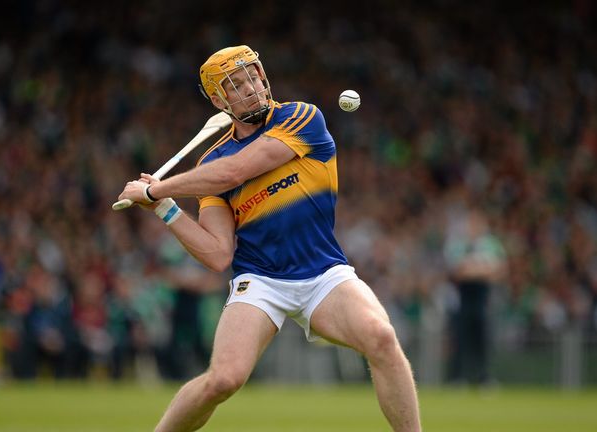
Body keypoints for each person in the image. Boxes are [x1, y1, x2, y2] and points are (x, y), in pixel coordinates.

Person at [117, 45, 421, 432]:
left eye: (254, 76)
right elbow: (216, 254)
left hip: (323, 273)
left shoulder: (300, 117)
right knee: (223, 380)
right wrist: (164, 209)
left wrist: (157, 189)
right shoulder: (209, 162)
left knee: (380, 336)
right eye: (236, 84)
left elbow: (237, 171)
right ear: (217, 99)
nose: (252, 87)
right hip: (260, 280)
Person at [444, 206, 506, 386]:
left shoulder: (491, 244)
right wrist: (482, 269)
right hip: (463, 300)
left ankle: (484, 378)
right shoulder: (457, 244)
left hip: (483, 300)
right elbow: (457, 271)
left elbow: (499, 270)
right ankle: (457, 378)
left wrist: (472, 269)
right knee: (460, 339)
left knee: (483, 341)